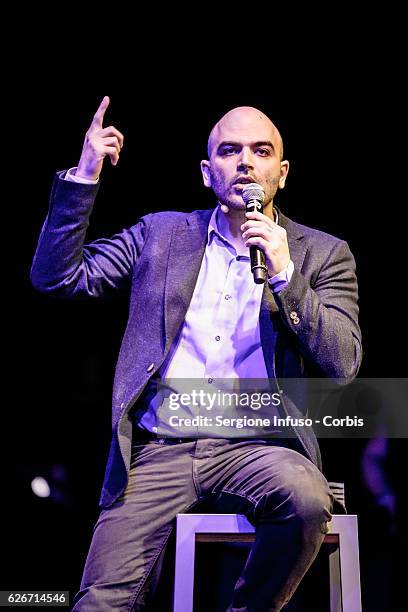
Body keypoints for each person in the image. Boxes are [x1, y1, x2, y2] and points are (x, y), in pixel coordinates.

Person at [31, 96, 362, 611]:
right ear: (209, 173)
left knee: (307, 498)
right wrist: (85, 175)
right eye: (230, 151)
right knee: (99, 602)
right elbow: (57, 277)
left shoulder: (322, 253)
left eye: (261, 151)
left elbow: (343, 365)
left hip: (258, 446)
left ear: (282, 172)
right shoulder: (160, 235)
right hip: (161, 448)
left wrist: (285, 275)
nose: (246, 162)